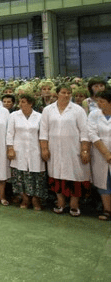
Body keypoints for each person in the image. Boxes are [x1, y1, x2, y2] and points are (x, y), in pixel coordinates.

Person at [40, 84, 90, 217]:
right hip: (54, 149)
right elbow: (44, 131)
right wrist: (44, 148)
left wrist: (85, 150)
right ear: (57, 94)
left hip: (73, 149)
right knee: (56, 176)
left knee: (75, 176)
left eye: (69, 93)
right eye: (63, 92)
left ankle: (74, 204)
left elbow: (84, 131)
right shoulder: (48, 110)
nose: (66, 95)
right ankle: (60, 202)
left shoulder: (78, 110)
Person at [6, 93, 47, 210]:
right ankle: (25, 198)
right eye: (20, 101)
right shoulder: (14, 115)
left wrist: (44, 149)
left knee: (37, 176)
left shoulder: (39, 116)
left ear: (31, 103)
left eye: (23, 102)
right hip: (19, 150)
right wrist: (10, 148)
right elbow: (9, 133)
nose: (20, 104)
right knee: (20, 176)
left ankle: (35, 199)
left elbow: (43, 134)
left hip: (35, 150)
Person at [88, 89, 111, 221]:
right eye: (98, 101)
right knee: (104, 183)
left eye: (102, 101)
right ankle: (107, 210)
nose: (98, 104)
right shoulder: (94, 114)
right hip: (100, 155)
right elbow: (92, 134)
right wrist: (106, 153)